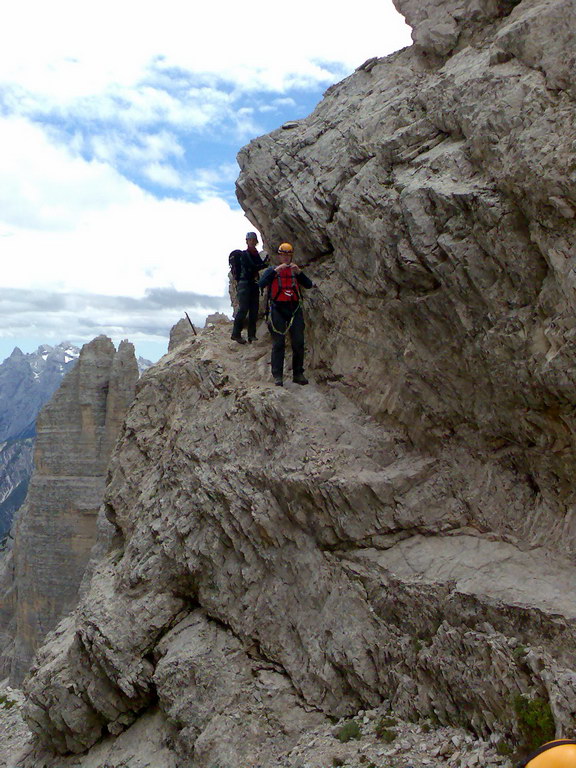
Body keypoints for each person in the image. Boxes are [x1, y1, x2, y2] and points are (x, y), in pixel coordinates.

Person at [258, 242, 313, 387]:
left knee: (298, 342)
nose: (286, 258)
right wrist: (275, 271)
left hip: (294, 309)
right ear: (279, 255)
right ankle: (278, 376)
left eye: (288, 255)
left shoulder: (295, 271)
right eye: (284, 254)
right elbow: (261, 283)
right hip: (277, 309)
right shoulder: (272, 270)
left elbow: (308, 284)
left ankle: (298, 374)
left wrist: (299, 273)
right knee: (278, 343)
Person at [231, 232, 269, 344]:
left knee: (254, 310)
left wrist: (265, 262)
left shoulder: (255, 254)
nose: (252, 242)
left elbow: (258, 265)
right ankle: (236, 334)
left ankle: (251, 335)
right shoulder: (245, 255)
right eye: (250, 240)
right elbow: (254, 267)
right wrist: (265, 263)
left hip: (252, 284)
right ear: (247, 241)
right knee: (243, 309)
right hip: (244, 284)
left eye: (253, 240)